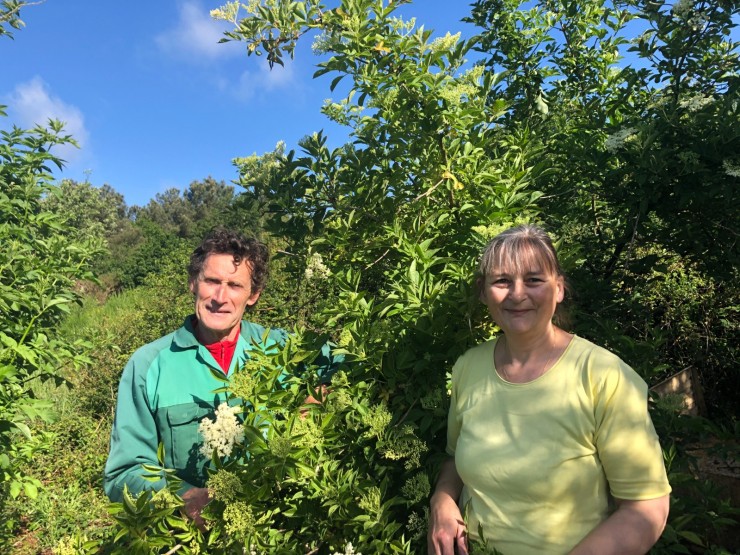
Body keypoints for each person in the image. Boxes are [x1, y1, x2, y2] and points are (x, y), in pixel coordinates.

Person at [428, 224, 671, 555]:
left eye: (533, 280)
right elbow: (456, 459)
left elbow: (647, 509)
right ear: (483, 292)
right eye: (501, 280)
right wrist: (442, 501)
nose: (517, 294)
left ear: (558, 288)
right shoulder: (468, 368)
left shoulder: (603, 376)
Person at [103, 228, 334, 528]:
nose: (220, 297)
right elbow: (123, 473)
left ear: (253, 295)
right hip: (192, 539)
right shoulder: (148, 364)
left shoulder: (283, 348)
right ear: (193, 283)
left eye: (235, 285)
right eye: (212, 281)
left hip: (280, 533)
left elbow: (350, 361)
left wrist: (315, 398)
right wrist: (183, 499)